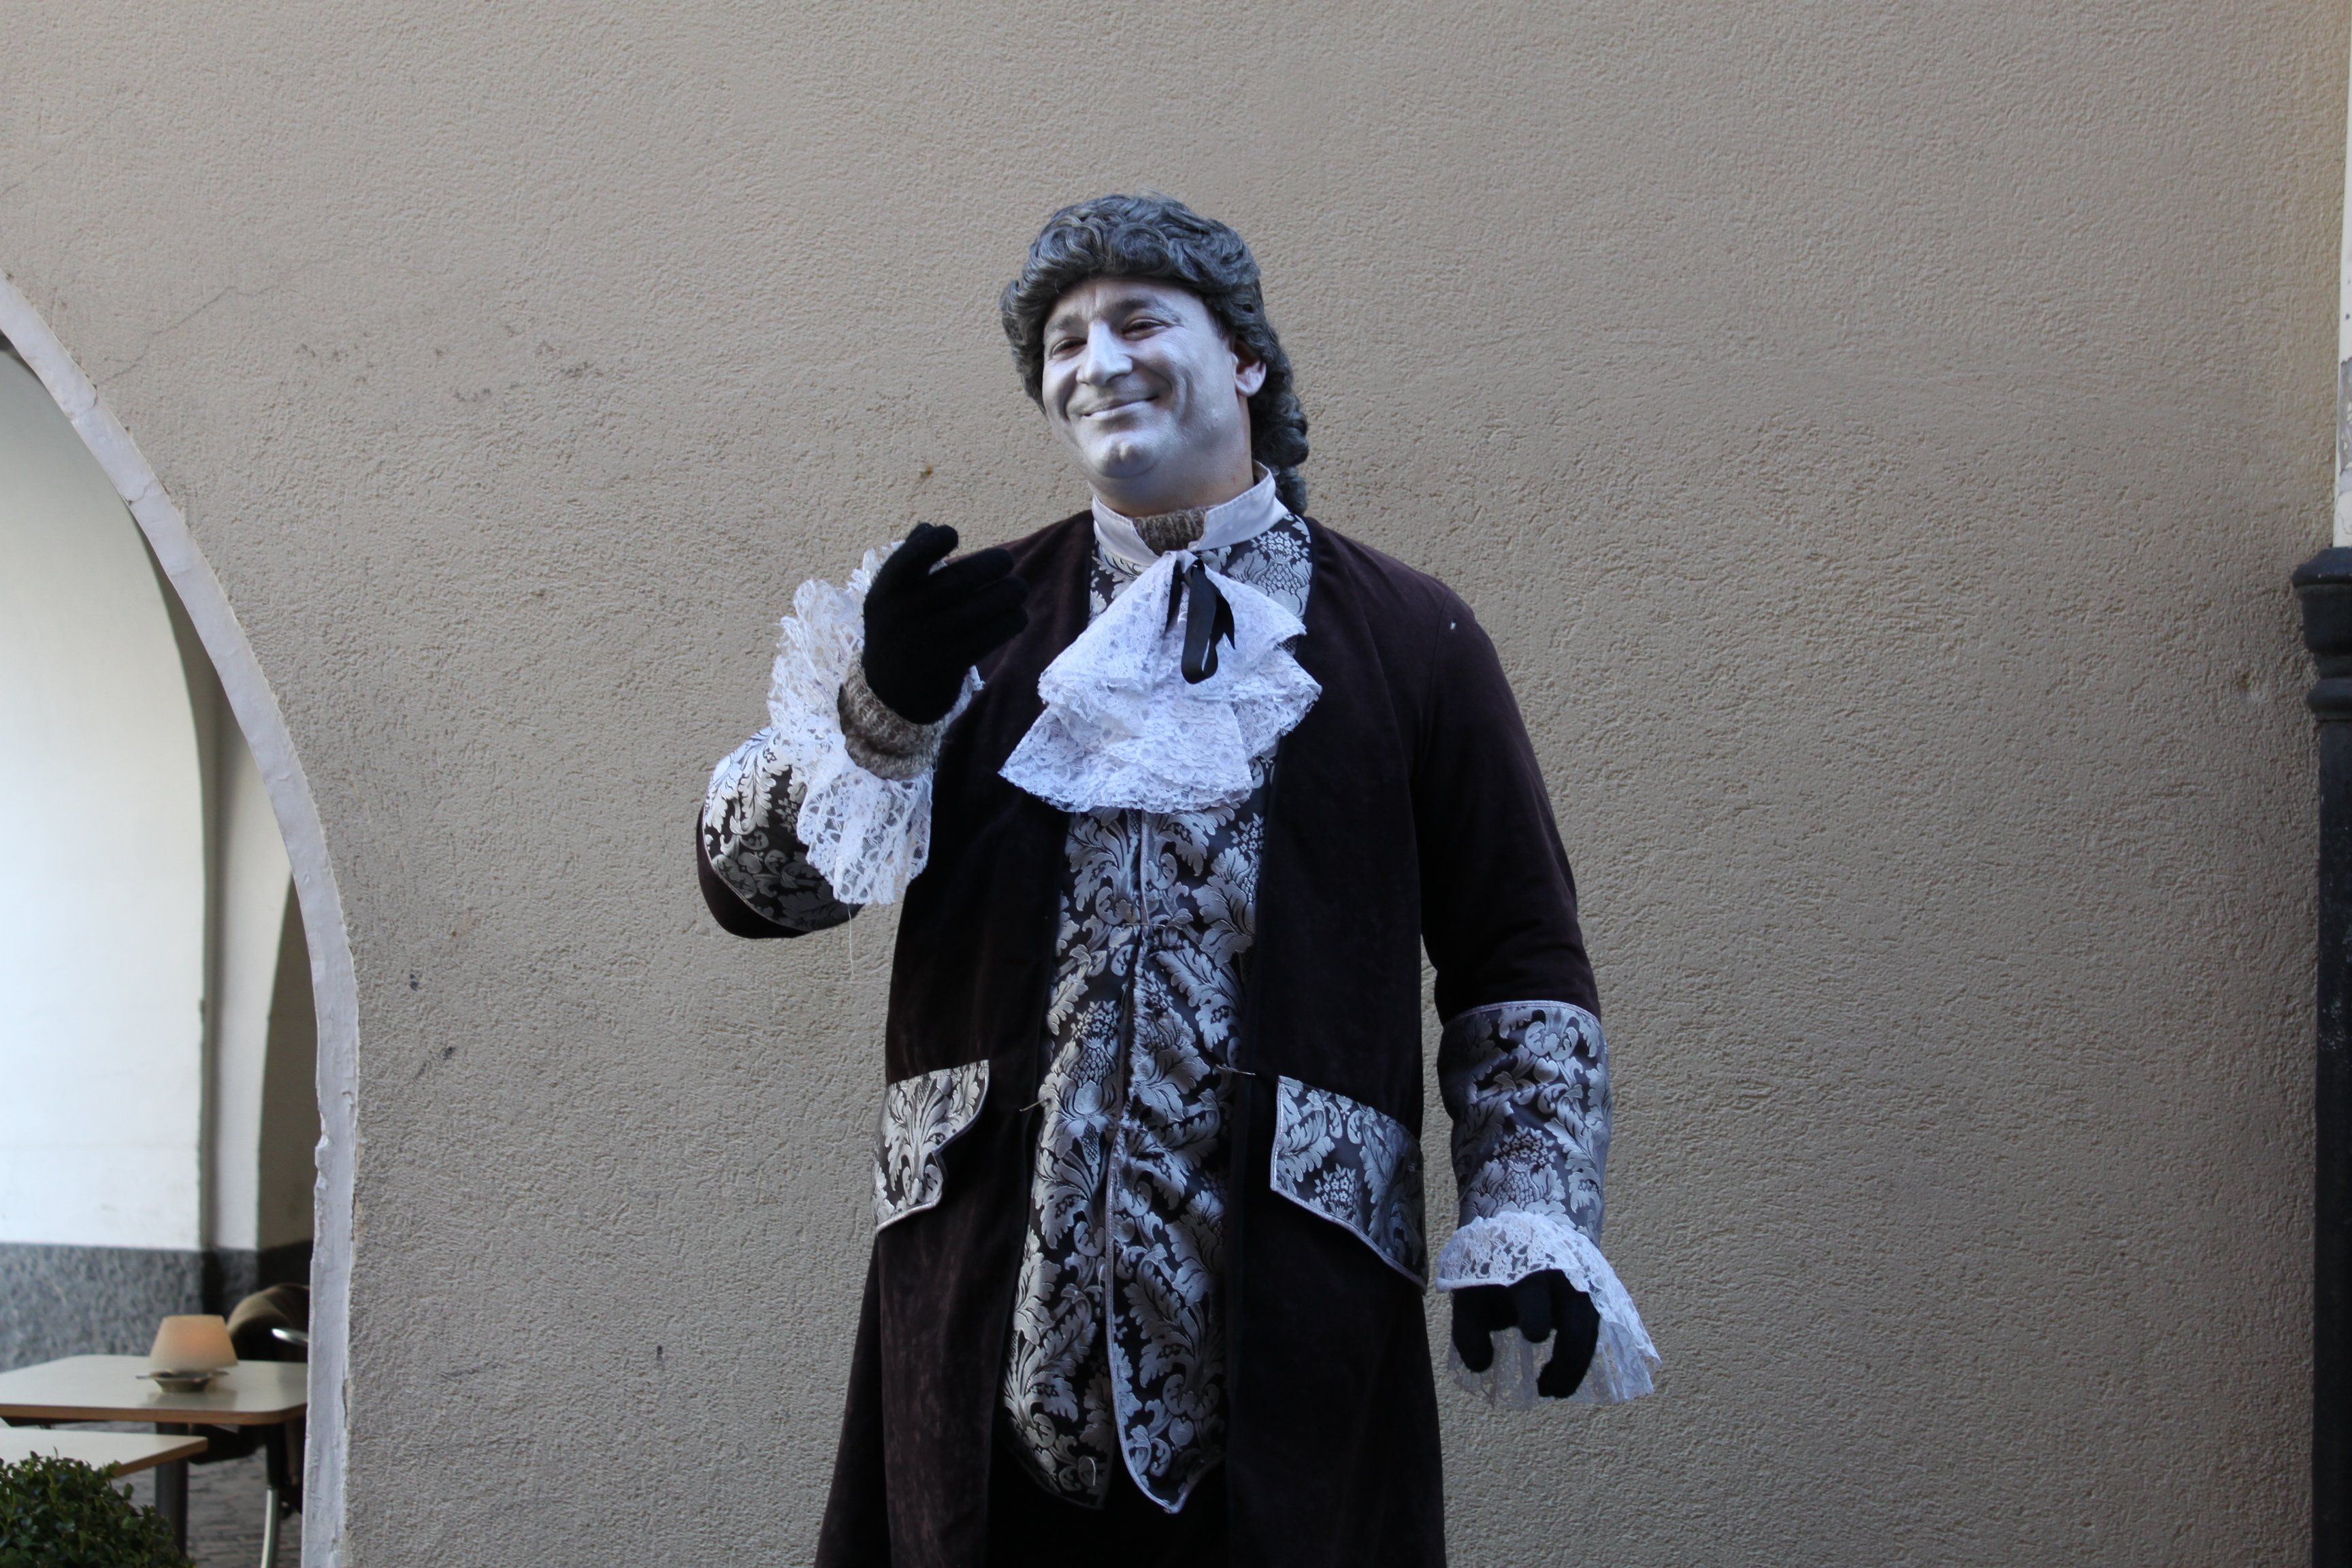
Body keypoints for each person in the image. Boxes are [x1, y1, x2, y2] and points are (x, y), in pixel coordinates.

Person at [698, 193, 1656, 1568]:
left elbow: (1516, 960)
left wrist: (1532, 1211)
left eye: (1140, 321)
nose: (1097, 363)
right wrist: (878, 714)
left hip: (1292, 1343)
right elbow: (755, 894)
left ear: (1247, 357)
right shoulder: (962, 630)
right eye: (1064, 343)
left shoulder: (1411, 637)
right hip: (982, 1336)